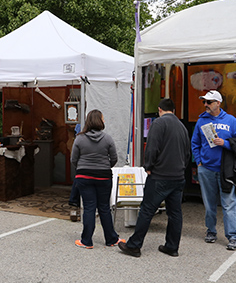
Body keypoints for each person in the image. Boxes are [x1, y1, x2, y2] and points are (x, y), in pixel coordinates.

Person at [119, 98, 190, 258]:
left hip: (160, 176)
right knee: (175, 213)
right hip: (178, 177)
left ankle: (134, 245)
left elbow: (151, 147)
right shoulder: (182, 127)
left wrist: (148, 167)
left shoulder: (158, 124)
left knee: (146, 210)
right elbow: (187, 153)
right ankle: (172, 247)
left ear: (159, 110)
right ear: (174, 110)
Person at [191, 90, 236, 251]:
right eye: (204, 102)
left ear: (218, 103)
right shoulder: (201, 121)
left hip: (226, 170)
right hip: (206, 169)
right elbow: (194, 142)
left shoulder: (231, 120)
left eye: (209, 102)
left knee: (228, 203)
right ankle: (211, 231)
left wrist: (226, 144)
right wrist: (199, 162)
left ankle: (232, 236)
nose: (205, 105)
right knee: (209, 204)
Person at [71, 109, 122, 249]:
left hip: (84, 177)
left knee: (89, 208)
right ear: (99, 121)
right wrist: (104, 167)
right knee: (104, 208)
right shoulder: (108, 138)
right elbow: (114, 159)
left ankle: (86, 241)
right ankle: (111, 239)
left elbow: (73, 159)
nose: (104, 121)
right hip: (103, 177)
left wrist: (82, 167)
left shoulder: (80, 138)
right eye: (103, 118)